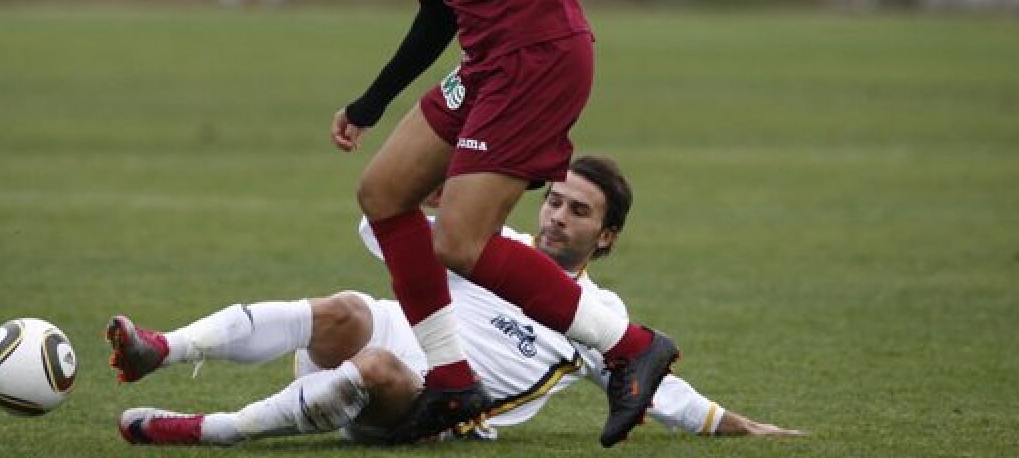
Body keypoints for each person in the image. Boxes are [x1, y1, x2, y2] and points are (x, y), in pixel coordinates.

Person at [301, 0, 676, 445]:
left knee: (460, 241)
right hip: (484, 62)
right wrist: (370, 103)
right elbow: (439, 13)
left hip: (537, 57)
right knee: (383, 193)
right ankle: (451, 381)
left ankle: (632, 347)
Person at [107, 156, 804, 446]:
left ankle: (205, 429)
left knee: (378, 363)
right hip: (368, 344)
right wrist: (422, 198)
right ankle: (161, 349)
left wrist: (747, 429)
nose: (558, 216)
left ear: (608, 235)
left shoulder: (601, 318)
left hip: (428, 405)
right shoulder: (487, 240)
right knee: (348, 307)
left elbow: (663, 389)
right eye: (554, 200)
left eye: (579, 211)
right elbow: (373, 227)